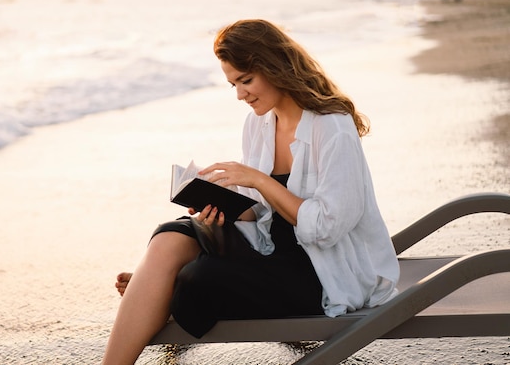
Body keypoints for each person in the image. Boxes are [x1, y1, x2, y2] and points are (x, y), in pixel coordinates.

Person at [102, 19, 399, 364]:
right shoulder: (259, 122)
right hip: (268, 249)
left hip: (321, 272)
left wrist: (259, 180)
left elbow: (327, 228)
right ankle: (149, 298)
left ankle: (155, 287)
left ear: (276, 67)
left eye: (246, 80)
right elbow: (260, 215)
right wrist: (227, 211)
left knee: (199, 279)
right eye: (234, 85)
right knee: (171, 235)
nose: (241, 94)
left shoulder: (331, 126)